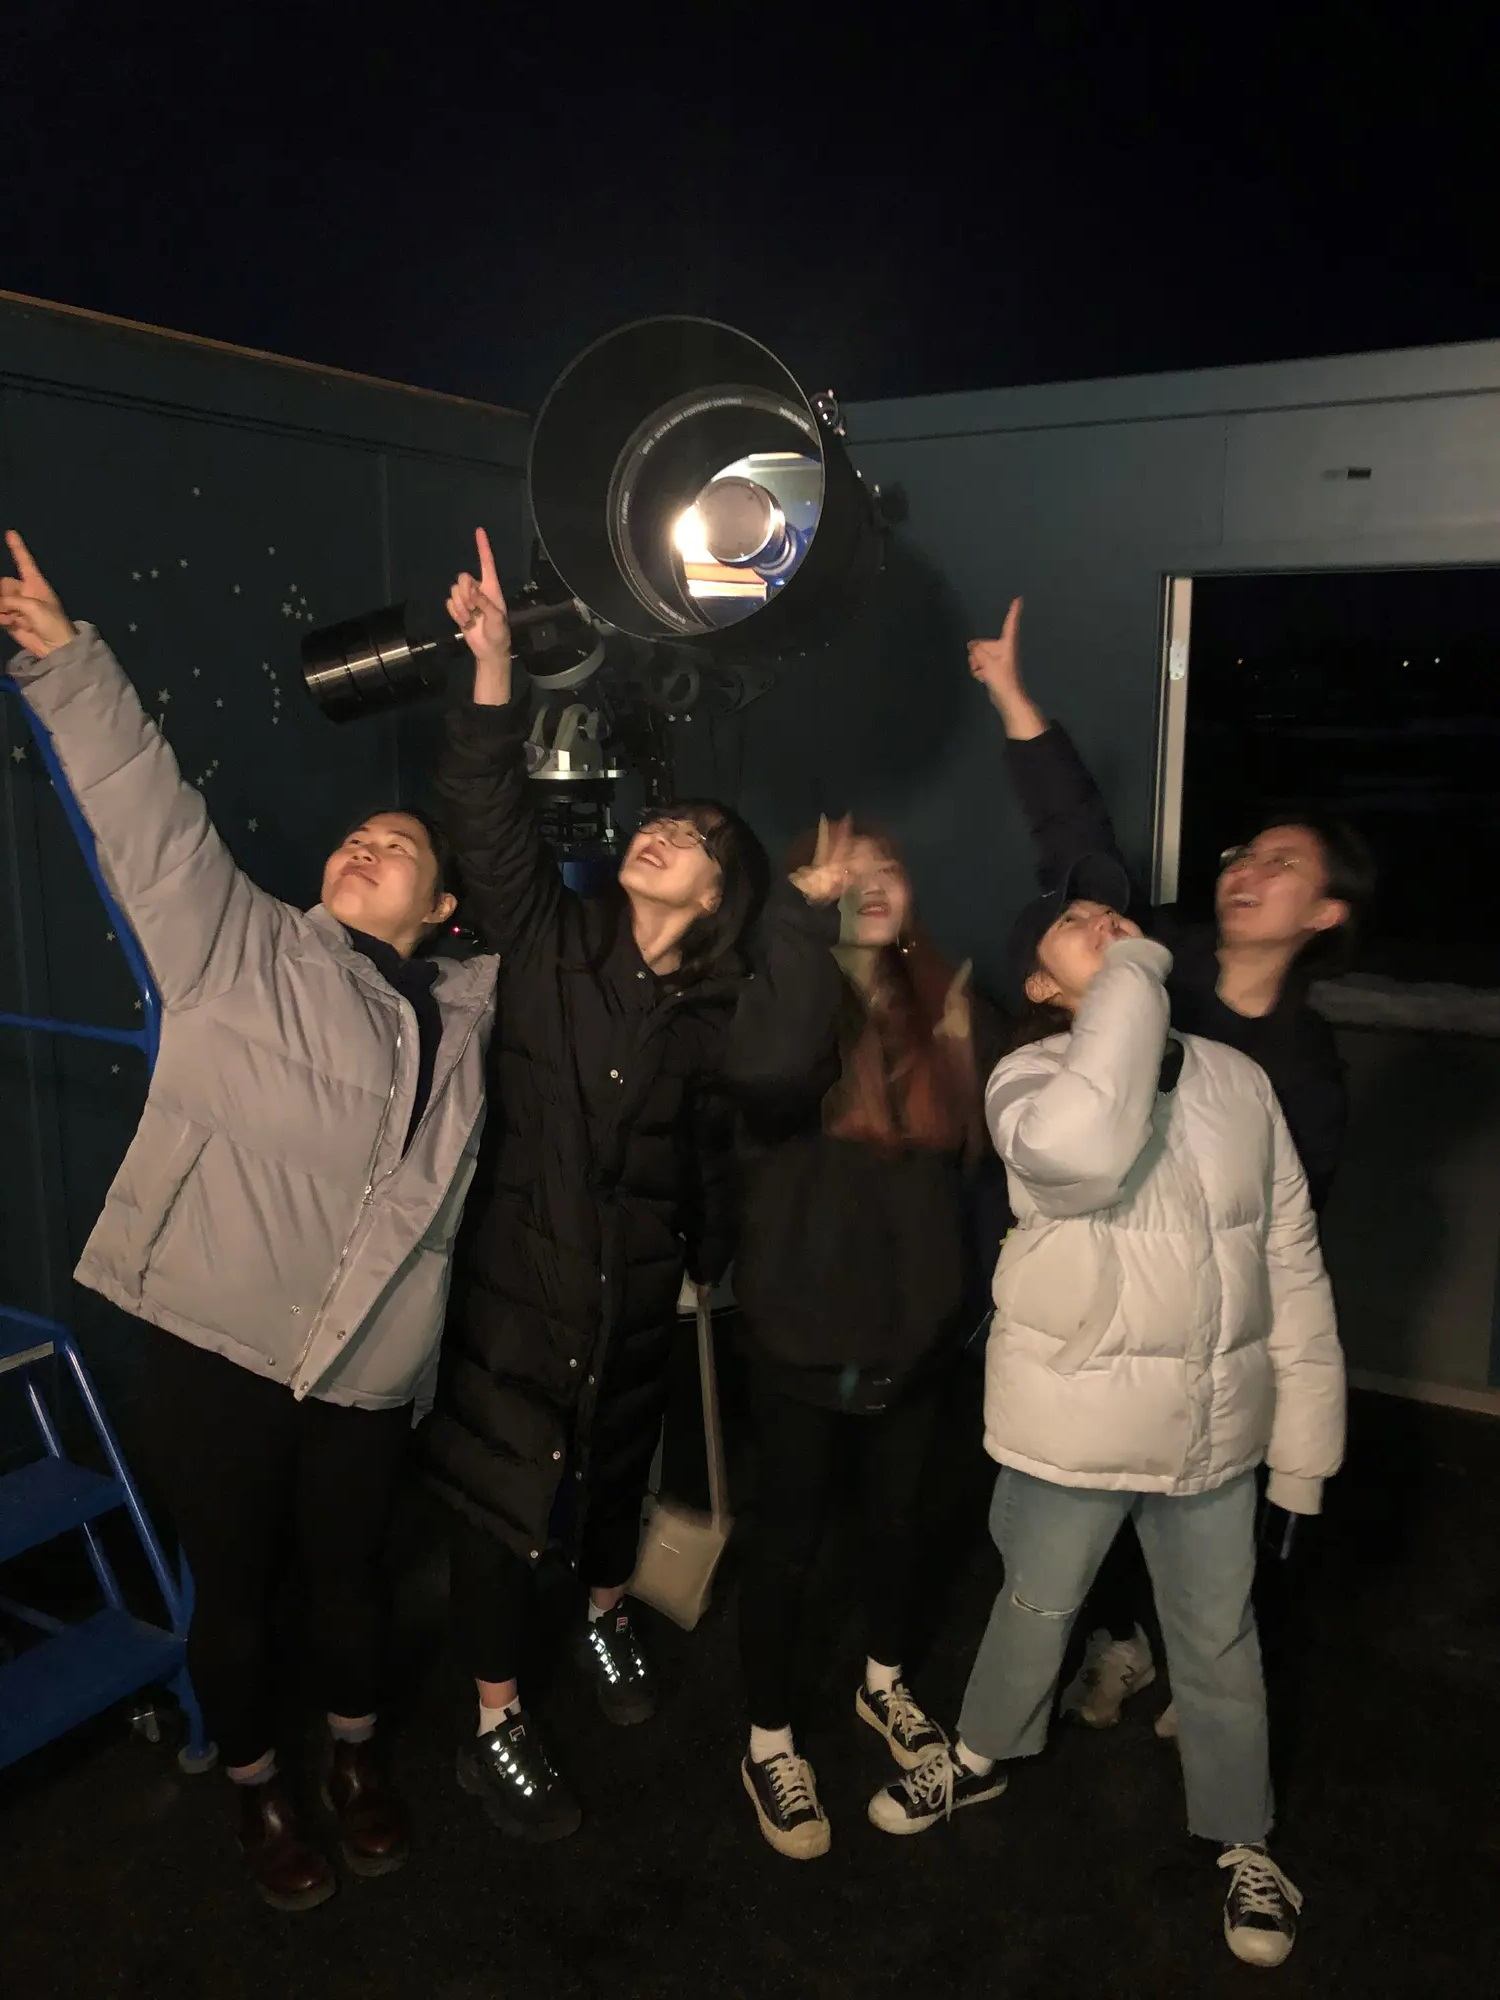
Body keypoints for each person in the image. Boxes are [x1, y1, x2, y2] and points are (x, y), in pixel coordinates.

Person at [0, 532, 497, 1912]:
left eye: (399, 846)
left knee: (352, 1582)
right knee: (236, 1588)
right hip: (216, 1350)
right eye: (358, 836)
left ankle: (355, 1756)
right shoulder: (240, 950)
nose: (365, 845)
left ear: (443, 907)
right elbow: (149, 822)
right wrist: (70, 665)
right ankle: (258, 1787)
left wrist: (495, 683)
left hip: (368, 1367)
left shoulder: (473, 1018)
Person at [865, 871, 1346, 1971]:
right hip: (1072, 1421)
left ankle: (1242, 1835)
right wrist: (1131, 967)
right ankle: (979, 1753)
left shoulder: (1237, 1080)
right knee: (1035, 1604)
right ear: (1042, 985)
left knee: (1216, 1637)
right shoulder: (1029, 1077)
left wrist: (1303, 1451)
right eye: (1071, 927)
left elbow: (1291, 1261)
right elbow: (1083, 1153)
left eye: (1112, 917)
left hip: (1212, 1427)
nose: (1102, 923)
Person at [418, 531, 773, 1842]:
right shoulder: (550, 938)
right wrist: (492, 669)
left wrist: (704, 1262)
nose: (664, 830)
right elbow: (485, 815)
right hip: (516, 1295)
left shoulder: (715, 1019)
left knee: (614, 1477)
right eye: (664, 819)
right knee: (501, 1507)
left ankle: (607, 1613)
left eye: (696, 839)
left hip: (634, 1306)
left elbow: (709, 1156)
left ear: (721, 900)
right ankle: (495, 1719)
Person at [968, 599, 1373, 1730]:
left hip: (1205, 1340)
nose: (1246, 867)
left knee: (1206, 1539)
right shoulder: (1159, 963)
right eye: (1245, 852)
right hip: (1091, 1318)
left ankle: (1188, 1665)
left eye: (1282, 865)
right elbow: (1074, 838)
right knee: (1068, 1527)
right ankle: (1111, 1650)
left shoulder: (1301, 1070)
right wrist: (1012, 698)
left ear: (1324, 913)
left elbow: (1286, 1239)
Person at [723, 816, 997, 1860]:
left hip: (911, 1332)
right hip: (801, 1330)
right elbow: (762, 1078)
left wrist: (960, 1300)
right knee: (786, 1540)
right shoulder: (784, 998)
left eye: (890, 866)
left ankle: (883, 1681)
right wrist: (798, 917)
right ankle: (768, 1738)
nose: (871, 881)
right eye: (848, 868)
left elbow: (975, 1161)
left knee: (899, 1521)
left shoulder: (946, 999)